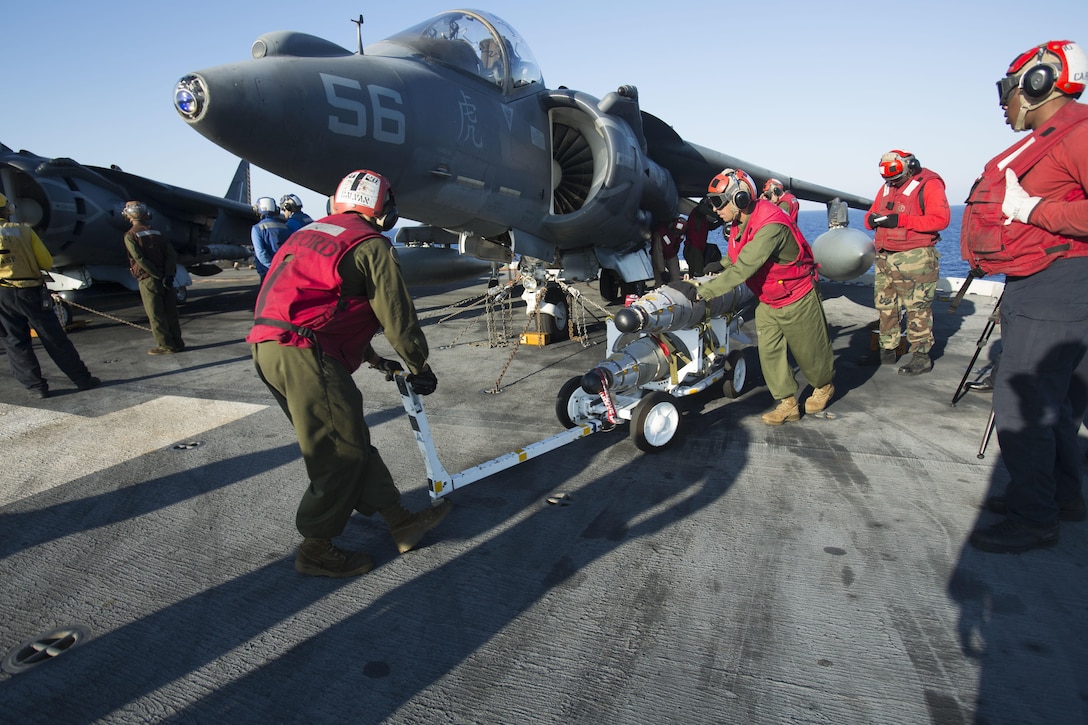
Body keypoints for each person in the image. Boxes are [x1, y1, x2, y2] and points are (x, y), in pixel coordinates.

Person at [247, 169, 450, 577]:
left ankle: (399, 520)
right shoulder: (370, 243)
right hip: (305, 352)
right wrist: (418, 365)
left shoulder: (310, 234)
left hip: (269, 346)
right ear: (382, 208)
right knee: (340, 451)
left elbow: (320, 303)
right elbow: (395, 312)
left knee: (347, 437)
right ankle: (316, 546)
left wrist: (374, 360)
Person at [960, 40, 1088, 553]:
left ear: (1038, 83)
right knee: (1055, 401)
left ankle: (1033, 516)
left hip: (1057, 284)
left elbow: (1049, 214)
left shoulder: (1078, 135)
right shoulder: (1055, 136)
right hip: (1039, 280)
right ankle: (1061, 496)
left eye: (1006, 90)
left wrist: (1035, 210)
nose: (1003, 102)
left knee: (1022, 399)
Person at [675, 168, 835, 425]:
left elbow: (745, 267)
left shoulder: (771, 223)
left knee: (811, 352)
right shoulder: (741, 222)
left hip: (796, 296)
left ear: (739, 199)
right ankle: (787, 402)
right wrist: (723, 263)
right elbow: (741, 253)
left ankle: (823, 386)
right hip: (769, 297)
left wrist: (701, 292)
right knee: (770, 353)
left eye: (718, 203)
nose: (715, 210)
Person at [860, 150, 950, 375]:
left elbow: (941, 219)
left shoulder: (929, 184)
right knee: (885, 306)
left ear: (909, 166)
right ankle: (886, 351)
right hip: (885, 256)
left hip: (915, 257)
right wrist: (872, 220)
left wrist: (901, 220)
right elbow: (870, 215)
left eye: (895, 173)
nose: (891, 179)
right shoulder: (888, 186)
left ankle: (921, 356)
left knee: (917, 308)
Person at [0, 193, 99, 397]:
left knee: (14, 341)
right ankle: (82, 379)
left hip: (2, 295)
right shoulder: (23, 231)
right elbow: (46, 262)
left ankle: (36, 388)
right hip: (30, 292)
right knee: (53, 337)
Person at [122, 201, 184, 355]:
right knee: (171, 313)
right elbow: (171, 255)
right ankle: (178, 342)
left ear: (128, 215)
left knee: (156, 315)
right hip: (167, 279)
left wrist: (156, 275)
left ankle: (166, 346)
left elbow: (139, 259)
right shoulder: (158, 233)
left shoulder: (130, 236)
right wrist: (168, 275)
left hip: (149, 279)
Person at [251, 197, 291, 282]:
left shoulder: (257, 229)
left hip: (267, 272)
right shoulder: (284, 226)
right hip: (285, 270)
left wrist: (273, 267)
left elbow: (261, 253)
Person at [681, 207, 723, 277]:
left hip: (696, 248)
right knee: (698, 272)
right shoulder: (697, 212)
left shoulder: (702, 220)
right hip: (693, 248)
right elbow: (702, 209)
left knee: (695, 271)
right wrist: (719, 214)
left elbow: (711, 226)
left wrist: (720, 221)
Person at [650, 216, 684, 287]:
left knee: (676, 277)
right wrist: (662, 271)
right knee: (659, 281)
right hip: (658, 254)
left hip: (671, 254)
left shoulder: (680, 234)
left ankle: (676, 292)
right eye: (675, 232)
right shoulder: (661, 234)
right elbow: (658, 254)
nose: (676, 234)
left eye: (678, 233)